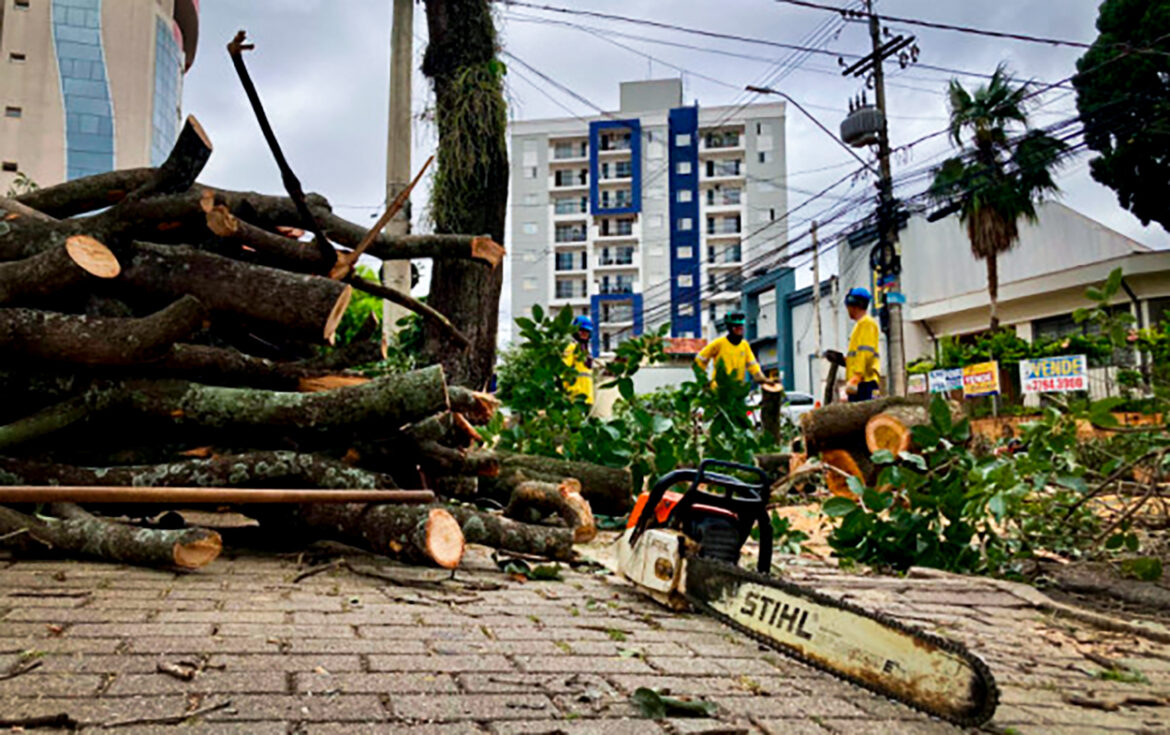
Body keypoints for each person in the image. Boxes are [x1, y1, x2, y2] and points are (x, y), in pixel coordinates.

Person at [696, 311, 779, 387]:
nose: (740, 330)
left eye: (741, 327)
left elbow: (753, 366)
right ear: (730, 328)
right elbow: (700, 359)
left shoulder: (744, 345)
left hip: (737, 389)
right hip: (719, 389)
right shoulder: (719, 344)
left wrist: (764, 380)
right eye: (736, 327)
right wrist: (704, 380)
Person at [844, 287, 881, 402]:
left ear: (854, 305)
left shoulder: (866, 323)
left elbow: (865, 352)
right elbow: (858, 354)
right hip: (862, 382)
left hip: (865, 382)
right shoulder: (860, 325)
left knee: (864, 412)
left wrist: (857, 376)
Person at [563, 315, 595, 405]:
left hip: (587, 399)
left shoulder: (586, 352)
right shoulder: (571, 348)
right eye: (582, 330)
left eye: (587, 331)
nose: (584, 333)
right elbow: (563, 371)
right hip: (575, 398)